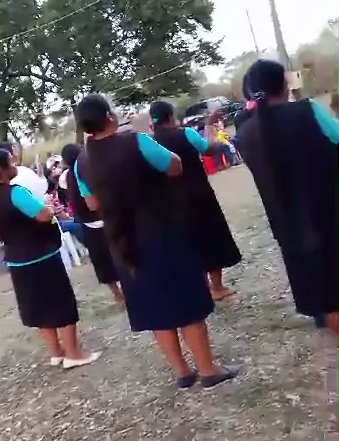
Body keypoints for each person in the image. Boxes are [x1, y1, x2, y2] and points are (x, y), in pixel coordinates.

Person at [74, 93, 239, 388]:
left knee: (154, 307)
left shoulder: (82, 162)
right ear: (109, 117)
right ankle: (208, 369)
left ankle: (183, 372)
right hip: (163, 231)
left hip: (123, 242)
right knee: (186, 301)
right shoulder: (136, 142)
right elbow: (175, 166)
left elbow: (92, 202)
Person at [236, 59, 339, 334]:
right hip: (328, 214)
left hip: (290, 227)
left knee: (325, 297)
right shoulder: (307, 110)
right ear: (284, 83)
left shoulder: (245, 131)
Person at [0, 146, 99, 368]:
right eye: (11, 162)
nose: (15, 165)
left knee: (38, 307)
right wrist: (50, 209)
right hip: (40, 255)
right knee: (61, 303)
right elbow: (43, 215)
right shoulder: (14, 192)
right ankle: (73, 354)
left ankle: (56, 352)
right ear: (2, 169)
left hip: (17, 260)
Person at [149, 100, 241, 301]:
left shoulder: (150, 143)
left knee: (188, 243)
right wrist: (209, 126)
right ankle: (217, 288)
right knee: (211, 239)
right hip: (199, 196)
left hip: (170, 203)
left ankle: (202, 289)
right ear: (170, 116)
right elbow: (210, 148)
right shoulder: (186, 134)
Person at [61, 142, 124, 304]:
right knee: (119, 254)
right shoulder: (87, 168)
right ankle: (126, 289)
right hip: (103, 218)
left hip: (87, 222)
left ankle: (117, 294)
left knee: (102, 260)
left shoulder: (68, 176)